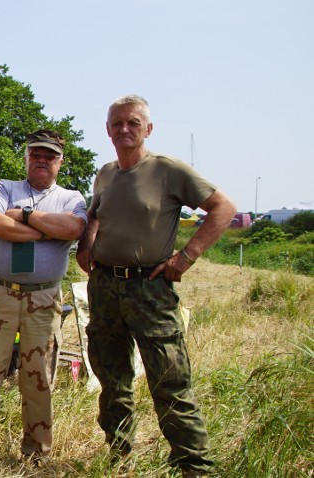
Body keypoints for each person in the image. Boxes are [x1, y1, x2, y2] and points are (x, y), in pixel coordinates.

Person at [76, 95, 235, 477]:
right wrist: (86, 244)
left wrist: (185, 257)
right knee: (112, 382)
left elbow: (224, 208)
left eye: (133, 123)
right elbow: (95, 214)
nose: (124, 129)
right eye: (117, 124)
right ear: (108, 130)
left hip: (150, 289)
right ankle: (118, 459)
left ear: (148, 128)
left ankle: (194, 467)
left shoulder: (168, 170)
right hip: (105, 288)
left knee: (169, 382)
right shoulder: (105, 173)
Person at [0, 129, 87, 463]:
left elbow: (74, 229)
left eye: (49, 156)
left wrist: (26, 216)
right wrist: (44, 231)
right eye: (36, 154)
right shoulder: (5, 188)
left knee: (38, 379)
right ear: (27, 157)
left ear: (60, 161)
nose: (42, 160)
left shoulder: (71, 198)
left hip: (43, 301)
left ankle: (36, 453)